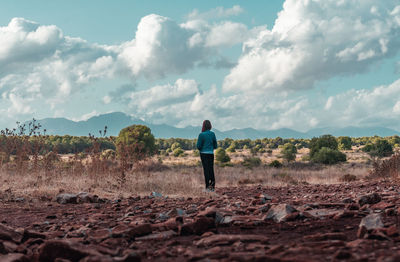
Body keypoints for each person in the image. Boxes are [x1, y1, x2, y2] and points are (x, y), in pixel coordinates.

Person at [196, 120, 217, 192]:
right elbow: (215, 145)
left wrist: (202, 148)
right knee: (211, 170)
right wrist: (211, 148)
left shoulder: (201, 135)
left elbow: (198, 146)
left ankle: (207, 187)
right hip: (211, 153)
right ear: (210, 126)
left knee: (206, 170)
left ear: (203, 125)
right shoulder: (213, 134)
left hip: (203, 154)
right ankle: (212, 187)